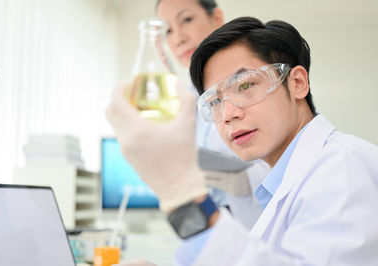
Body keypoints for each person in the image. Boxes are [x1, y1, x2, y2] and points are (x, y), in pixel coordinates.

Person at [108, 16, 378, 265]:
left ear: (297, 83)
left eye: (246, 85)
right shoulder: (285, 182)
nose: (227, 114)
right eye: (214, 101)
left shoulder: (342, 169)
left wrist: (182, 193)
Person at [155, 0, 268, 227]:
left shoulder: (252, 77)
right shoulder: (189, 98)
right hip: (214, 225)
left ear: (216, 18)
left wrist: (243, 181)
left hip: (258, 224)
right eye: (167, 31)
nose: (178, 39)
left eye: (186, 20)